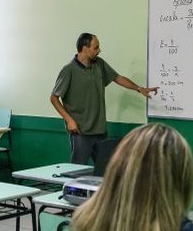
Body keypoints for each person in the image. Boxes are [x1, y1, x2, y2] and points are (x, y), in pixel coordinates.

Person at [50, 33, 158, 164]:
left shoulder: (99, 64)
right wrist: (69, 120)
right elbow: (54, 98)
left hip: (100, 131)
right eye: (96, 47)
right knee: (77, 169)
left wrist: (139, 89)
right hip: (80, 132)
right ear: (85, 48)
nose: (99, 50)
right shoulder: (69, 70)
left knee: (105, 168)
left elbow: (117, 78)